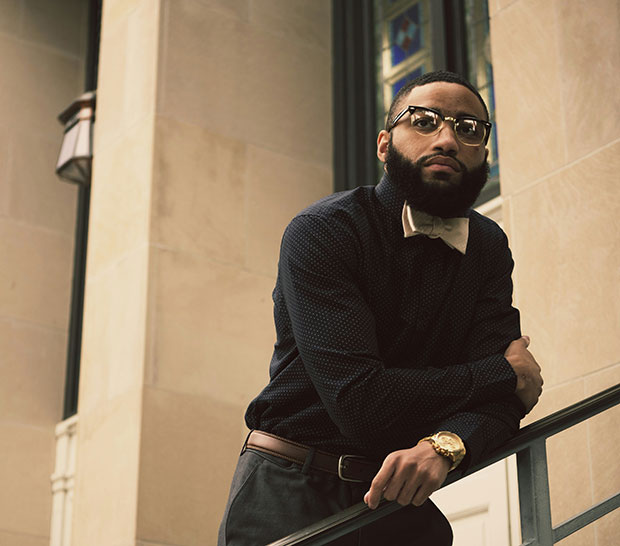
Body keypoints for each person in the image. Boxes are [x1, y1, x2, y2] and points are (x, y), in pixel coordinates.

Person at [217, 71, 543, 546]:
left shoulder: (488, 246)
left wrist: (447, 445)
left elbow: (508, 402)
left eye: (469, 128)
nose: (448, 138)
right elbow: (361, 402)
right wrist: (500, 371)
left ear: (485, 156)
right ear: (385, 144)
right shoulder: (324, 230)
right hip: (290, 490)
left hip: (400, 498)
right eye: (425, 121)